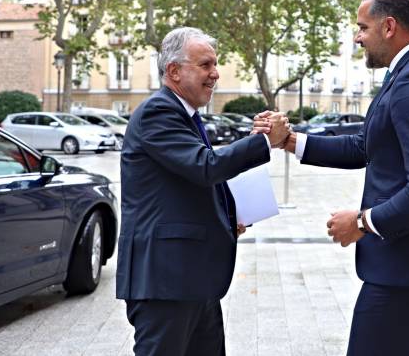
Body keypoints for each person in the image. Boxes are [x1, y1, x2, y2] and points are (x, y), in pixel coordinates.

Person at [255, 0, 409, 355]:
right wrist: (290, 140)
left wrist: (362, 222)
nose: (357, 38)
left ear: (388, 27)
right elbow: (365, 145)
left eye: (362, 28)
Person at [116, 27, 290, 356]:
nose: (216, 73)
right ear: (174, 71)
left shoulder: (185, 115)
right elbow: (205, 166)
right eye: (206, 65)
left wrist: (227, 217)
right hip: (165, 281)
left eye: (216, 64)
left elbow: (192, 181)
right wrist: (264, 141)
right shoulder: (158, 112)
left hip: (193, 277)